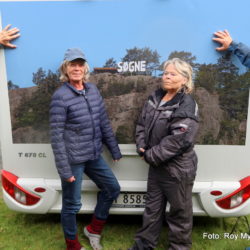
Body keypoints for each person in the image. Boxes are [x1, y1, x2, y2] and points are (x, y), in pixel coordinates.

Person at [49, 48, 122, 250]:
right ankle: (72, 244)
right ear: (66, 67)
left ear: (85, 68)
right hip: (73, 159)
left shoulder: (92, 90)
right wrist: (64, 170)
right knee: (72, 205)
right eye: (73, 64)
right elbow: (56, 136)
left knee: (112, 188)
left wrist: (114, 149)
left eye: (80, 65)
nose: (77, 68)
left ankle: (93, 229)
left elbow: (103, 122)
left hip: (92, 154)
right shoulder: (60, 96)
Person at [129, 58, 199, 250]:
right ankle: (143, 245)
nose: (166, 76)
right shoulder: (155, 97)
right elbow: (142, 124)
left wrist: (150, 156)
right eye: (165, 73)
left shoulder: (186, 104)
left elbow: (179, 140)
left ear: (184, 80)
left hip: (177, 169)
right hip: (157, 166)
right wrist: (142, 146)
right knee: (152, 210)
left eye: (172, 74)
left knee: (179, 213)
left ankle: (179, 247)